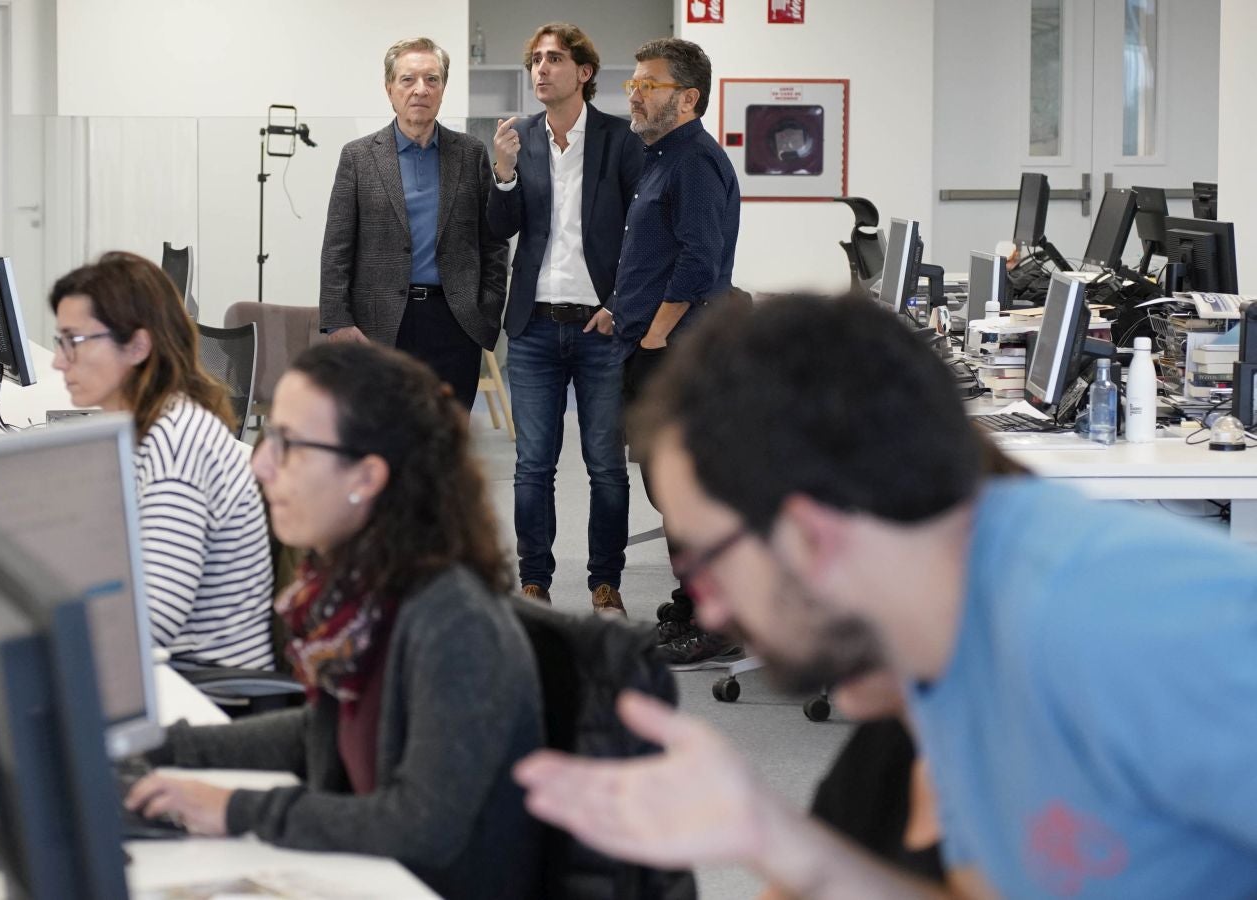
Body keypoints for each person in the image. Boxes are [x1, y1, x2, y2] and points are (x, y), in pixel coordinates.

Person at [515, 294, 1257, 898]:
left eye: (708, 562)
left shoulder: (1139, 629)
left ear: (809, 536)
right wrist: (778, 843)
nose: (706, 609)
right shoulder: (938, 636)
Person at [126, 342, 544, 900]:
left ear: (366, 476)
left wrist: (234, 809)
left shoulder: (453, 623)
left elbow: (421, 825)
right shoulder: (358, 594)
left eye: (288, 445)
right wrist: (165, 749)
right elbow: (323, 734)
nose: (260, 463)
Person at [49, 252, 274, 671]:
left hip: (203, 685)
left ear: (137, 346)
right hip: (170, 665)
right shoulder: (145, 425)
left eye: (73, 342)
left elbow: (152, 621)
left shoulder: (177, 444)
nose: (58, 361)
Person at [487, 22, 643, 615]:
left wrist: (620, 307)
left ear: (584, 72)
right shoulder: (516, 139)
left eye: (554, 59)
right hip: (532, 325)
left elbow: (643, 233)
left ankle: (606, 582)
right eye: (535, 60)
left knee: (605, 464)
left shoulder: (620, 139)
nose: (541, 69)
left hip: (600, 327)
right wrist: (502, 175)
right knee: (533, 463)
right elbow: (500, 230)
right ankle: (535, 582)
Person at [611, 37, 741, 666]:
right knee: (670, 492)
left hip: (679, 356)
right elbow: (655, 255)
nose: (634, 93)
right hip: (654, 348)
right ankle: (695, 602)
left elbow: (699, 260)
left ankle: (718, 620)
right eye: (634, 82)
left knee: (687, 493)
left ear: (687, 98)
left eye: (649, 84)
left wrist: (657, 330)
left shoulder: (693, 162)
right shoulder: (660, 156)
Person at [319, 36, 508, 412]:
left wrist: (485, 312)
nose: (420, 89)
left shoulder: (471, 154)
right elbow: (337, 246)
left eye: (431, 79)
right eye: (408, 80)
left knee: (446, 445)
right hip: (380, 327)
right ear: (389, 88)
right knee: (380, 441)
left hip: (455, 324)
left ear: (443, 88)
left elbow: (493, 242)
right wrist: (337, 322)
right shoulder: (358, 157)